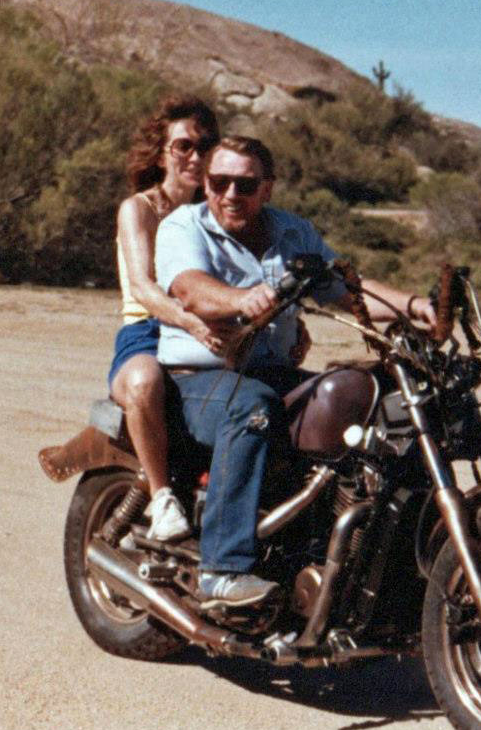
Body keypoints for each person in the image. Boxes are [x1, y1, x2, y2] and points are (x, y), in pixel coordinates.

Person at [155, 135, 437, 607]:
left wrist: (414, 306)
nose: (230, 195)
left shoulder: (293, 233)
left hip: (271, 370)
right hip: (195, 378)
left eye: (244, 184)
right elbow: (190, 289)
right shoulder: (184, 226)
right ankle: (222, 570)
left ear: (267, 188)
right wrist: (240, 298)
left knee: (366, 404)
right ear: (205, 183)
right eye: (218, 182)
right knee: (252, 409)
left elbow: (344, 289)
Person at [104, 95, 223, 545]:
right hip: (148, 331)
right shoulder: (140, 208)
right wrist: (190, 322)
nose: (196, 156)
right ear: (161, 152)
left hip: (206, 331)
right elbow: (143, 287)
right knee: (144, 383)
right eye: (184, 146)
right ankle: (161, 498)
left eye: (205, 145)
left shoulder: (215, 214)